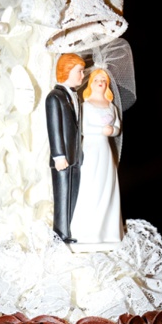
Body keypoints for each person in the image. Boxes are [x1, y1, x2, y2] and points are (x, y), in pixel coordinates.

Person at [68, 66, 122, 246]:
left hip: (105, 150)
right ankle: (87, 231)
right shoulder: (86, 105)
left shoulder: (111, 106)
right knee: (91, 184)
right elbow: (82, 129)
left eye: (103, 81)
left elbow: (117, 128)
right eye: (97, 80)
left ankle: (108, 231)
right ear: (91, 83)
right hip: (91, 149)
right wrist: (101, 130)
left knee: (107, 184)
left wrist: (112, 130)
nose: (101, 83)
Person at [44, 53, 85, 241]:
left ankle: (68, 232)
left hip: (75, 156)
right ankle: (59, 234)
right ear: (67, 71)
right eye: (80, 71)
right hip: (62, 159)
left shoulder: (73, 96)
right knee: (62, 198)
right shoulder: (54, 97)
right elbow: (54, 128)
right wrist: (58, 155)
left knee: (72, 196)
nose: (83, 76)